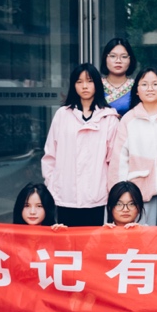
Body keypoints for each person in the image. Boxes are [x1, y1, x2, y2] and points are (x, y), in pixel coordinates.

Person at [41, 63, 120, 227]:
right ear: (73, 85)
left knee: (94, 240)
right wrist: (53, 183)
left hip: (97, 196)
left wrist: (110, 190)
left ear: (97, 84)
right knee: (67, 240)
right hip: (65, 195)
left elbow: (113, 160)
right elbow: (50, 155)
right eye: (79, 81)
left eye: (89, 81)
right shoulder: (62, 115)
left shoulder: (109, 118)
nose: (85, 86)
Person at [4, 183, 65, 312]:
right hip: (20, 308)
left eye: (38, 206)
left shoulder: (56, 235)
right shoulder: (9, 237)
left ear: (47, 209)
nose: (32, 212)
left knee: (39, 299)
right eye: (27, 206)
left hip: (49, 307)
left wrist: (65, 239)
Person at [112, 67, 157, 227]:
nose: (150, 88)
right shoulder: (128, 119)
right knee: (141, 238)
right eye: (144, 84)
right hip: (137, 195)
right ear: (137, 91)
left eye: (155, 84)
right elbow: (119, 161)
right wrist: (120, 194)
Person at [95, 182, 154, 312]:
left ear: (139, 207)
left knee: (146, 311)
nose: (125, 209)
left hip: (141, 303)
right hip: (110, 304)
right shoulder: (100, 234)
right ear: (110, 207)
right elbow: (86, 265)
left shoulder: (149, 233)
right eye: (119, 204)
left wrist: (140, 236)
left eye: (131, 204)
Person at [100, 37, 137, 115]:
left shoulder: (137, 86)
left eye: (124, 57)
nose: (118, 61)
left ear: (130, 60)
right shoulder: (95, 85)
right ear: (105, 58)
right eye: (113, 56)